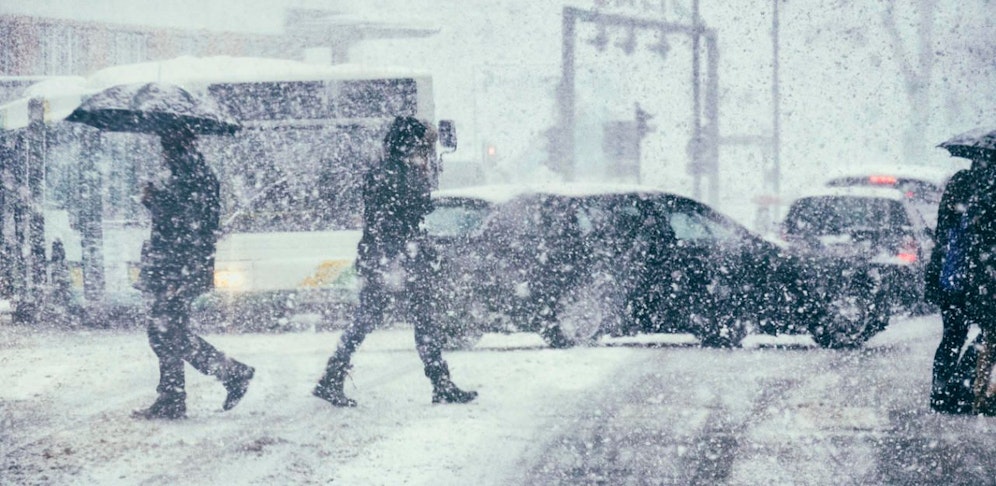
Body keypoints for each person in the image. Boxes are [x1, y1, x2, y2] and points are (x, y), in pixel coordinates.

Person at [313, 116, 477, 407]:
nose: (426, 152)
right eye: (424, 145)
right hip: (394, 259)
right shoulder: (396, 174)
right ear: (410, 144)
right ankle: (440, 384)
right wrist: (400, 256)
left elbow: (398, 215)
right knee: (401, 319)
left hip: (390, 258)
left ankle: (333, 377)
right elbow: (402, 216)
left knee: (382, 318)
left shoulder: (390, 170)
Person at [132, 126, 254, 420]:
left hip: (180, 266)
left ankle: (230, 374)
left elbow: (186, 223)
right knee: (169, 330)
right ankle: (175, 396)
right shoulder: (189, 171)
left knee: (165, 331)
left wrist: (155, 200)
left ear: (174, 145)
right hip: (181, 265)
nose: (161, 153)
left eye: (164, 146)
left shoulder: (189, 174)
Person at [924, 160, 979, 413]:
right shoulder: (983, 191)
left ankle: (942, 390)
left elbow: (942, 234)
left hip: (951, 278)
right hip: (973, 280)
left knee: (953, 336)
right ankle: (960, 387)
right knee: (985, 335)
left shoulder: (960, 183)